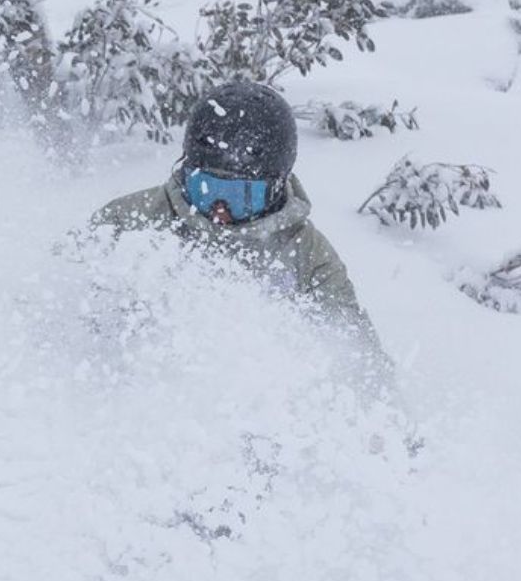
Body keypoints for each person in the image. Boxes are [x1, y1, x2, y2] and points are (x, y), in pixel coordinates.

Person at [87, 81, 387, 376]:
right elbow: (60, 305)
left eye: (241, 196)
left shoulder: (308, 256)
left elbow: (360, 360)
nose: (220, 211)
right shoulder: (128, 222)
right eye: (206, 188)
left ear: (275, 187)